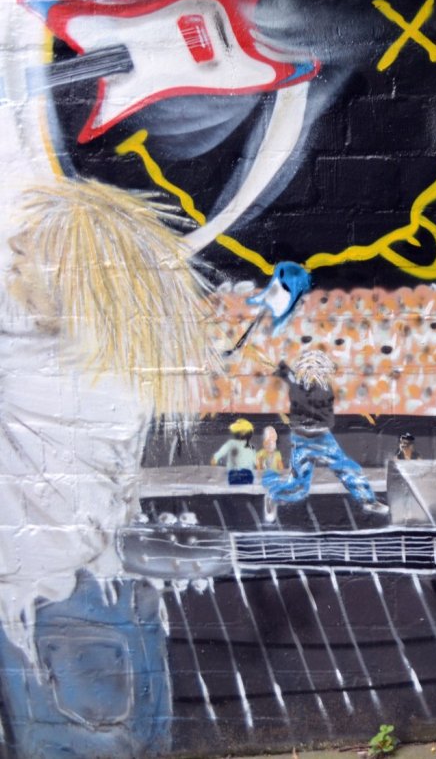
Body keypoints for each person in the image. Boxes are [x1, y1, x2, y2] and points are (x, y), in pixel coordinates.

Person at [0, 177, 216, 757]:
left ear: (74, 274)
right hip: (98, 601)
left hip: (61, 616)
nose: (13, 257)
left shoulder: (55, 371)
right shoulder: (109, 354)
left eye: (30, 250)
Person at [259, 348, 389, 516]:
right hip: (302, 439)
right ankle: (274, 494)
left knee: (347, 469)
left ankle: (368, 501)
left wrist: (284, 371)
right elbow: (290, 379)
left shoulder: (321, 389)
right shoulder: (298, 385)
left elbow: (310, 399)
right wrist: (282, 369)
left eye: (316, 368)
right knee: (299, 486)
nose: (313, 372)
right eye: (310, 368)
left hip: (321, 437)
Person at [212, 417, 258, 485]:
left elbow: (215, 458)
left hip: (238, 475)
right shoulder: (250, 446)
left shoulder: (232, 443)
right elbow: (257, 463)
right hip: (244, 475)